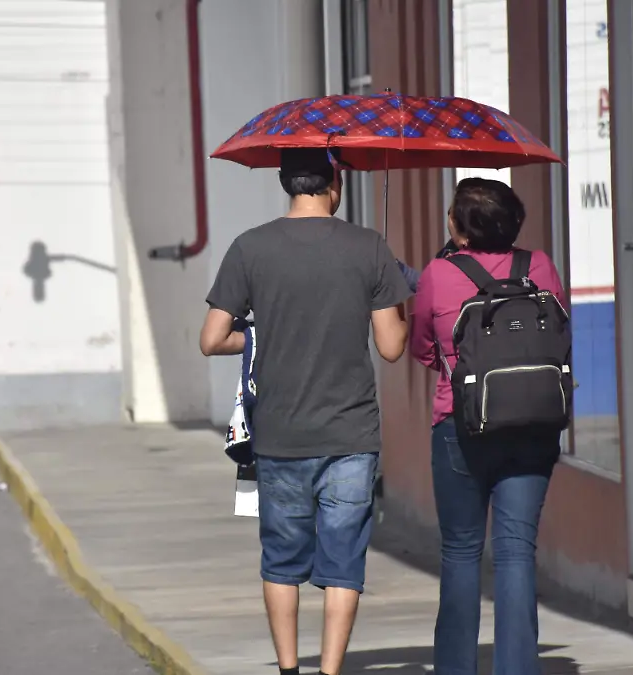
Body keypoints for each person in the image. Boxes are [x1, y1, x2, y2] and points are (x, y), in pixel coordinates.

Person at [200, 147, 412, 675]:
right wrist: (399, 298)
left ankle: (289, 669)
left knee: (281, 560)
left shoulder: (250, 247)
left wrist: (259, 334)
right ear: (334, 183)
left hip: (280, 433)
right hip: (351, 434)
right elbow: (391, 347)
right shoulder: (369, 246)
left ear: (284, 183)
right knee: (343, 563)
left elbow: (212, 339)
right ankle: (331, 670)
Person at [408, 177, 567, 675]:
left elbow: (422, 349)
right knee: (516, 552)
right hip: (535, 425)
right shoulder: (539, 265)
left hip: (461, 427)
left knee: (460, 552)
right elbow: (559, 333)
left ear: (459, 229)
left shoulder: (438, 273)